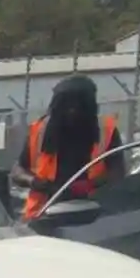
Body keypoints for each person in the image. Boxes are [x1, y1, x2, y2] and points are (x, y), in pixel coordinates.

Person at [14, 75, 124, 220]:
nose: (72, 111)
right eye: (66, 106)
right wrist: (33, 181)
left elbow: (118, 172)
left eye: (79, 106)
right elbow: (18, 171)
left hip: (94, 214)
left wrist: (91, 185)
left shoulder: (106, 130)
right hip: (42, 216)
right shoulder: (40, 131)